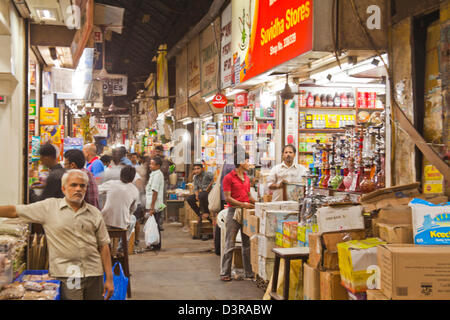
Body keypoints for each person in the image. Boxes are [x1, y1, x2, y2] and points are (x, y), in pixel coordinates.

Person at [0, 169, 114, 300]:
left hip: (94, 272)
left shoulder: (94, 213)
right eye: (73, 185)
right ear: (64, 189)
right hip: (71, 273)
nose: (78, 189)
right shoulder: (49, 207)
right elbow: (15, 211)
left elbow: (104, 245)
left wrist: (109, 279)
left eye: (82, 186)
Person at [220, 152, 255, 282]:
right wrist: (243, 204)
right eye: (247, 160)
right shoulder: (228, 178)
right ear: (240, 162)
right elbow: (228, 198)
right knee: (230, 243)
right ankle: (225, 272)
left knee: (247, 244)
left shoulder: (246, 177)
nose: (249, 163)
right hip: (233, 212)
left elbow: (248, 195)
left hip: (245, 213)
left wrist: (259, 203)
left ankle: (249, 272)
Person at [98, 166, 140, 245]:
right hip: (121, 224)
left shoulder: (111, 183)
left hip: (105, 221)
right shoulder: (135, 190)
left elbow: (97, 190)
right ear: (132, 178)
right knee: (133, 218)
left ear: (120, 175)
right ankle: (123, 244)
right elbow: (133, 209)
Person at [145, 157, 166, 251]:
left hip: (156, 204)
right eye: (150, 163)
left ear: (158, 166)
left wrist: (152, 207)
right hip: (153, 204)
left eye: (152, 164)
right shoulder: (154, 174)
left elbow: (155, 192)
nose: (150, 165)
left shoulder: (157, 175)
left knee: (155, 225)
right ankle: (154, 243)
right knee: (154, 224)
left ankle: (156, 244)